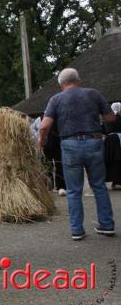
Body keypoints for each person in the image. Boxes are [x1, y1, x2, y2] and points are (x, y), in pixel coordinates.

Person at [39, 68, 116, 240]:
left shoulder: (56, 99)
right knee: (99, 186)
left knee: (73, 190)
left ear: (61, 85)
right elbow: (111, 117)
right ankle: (107, 225)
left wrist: (42, 140)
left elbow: (44, 126)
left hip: (70, 144)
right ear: (78, 80)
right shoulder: (93, 94)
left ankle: (77, 230)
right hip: (94, 141)